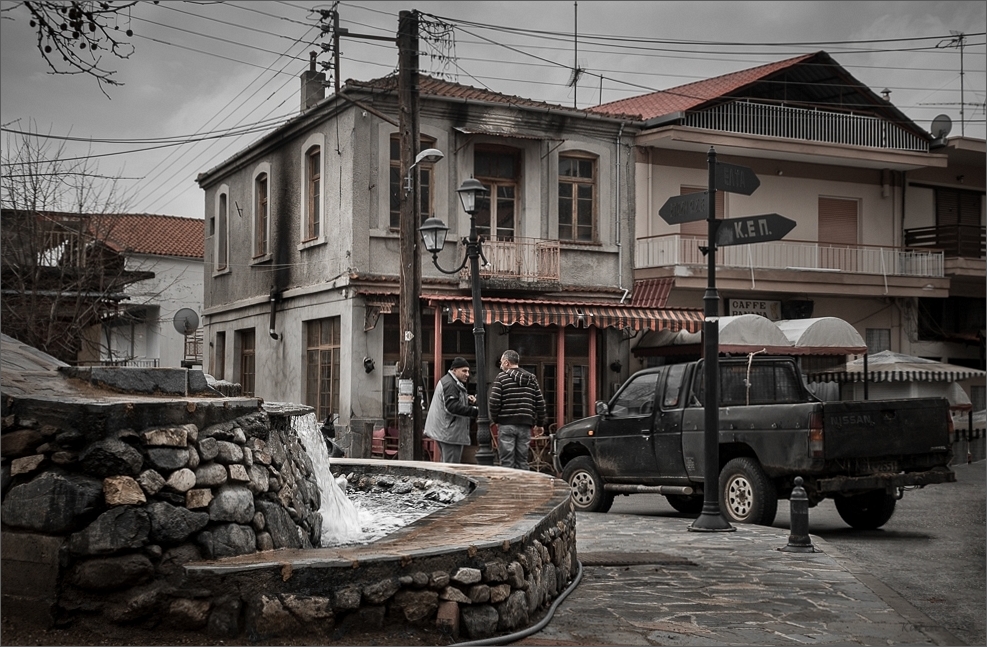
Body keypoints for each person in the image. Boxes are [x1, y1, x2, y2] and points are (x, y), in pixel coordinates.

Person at [489, 349, 547, 470]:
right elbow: (540, 403)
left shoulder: (502, 378)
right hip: (525, 424)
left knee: (506, 462)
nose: (500, 366)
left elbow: (494, 402)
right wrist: (539, 424)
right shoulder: (531, 379)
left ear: (506, 363)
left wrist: (496, 419)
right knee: (522, 460)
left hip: (506, 424)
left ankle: (508, 487)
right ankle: (523, 487)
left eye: (501, 363)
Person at [423, 357, 478, 463]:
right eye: (464, 371)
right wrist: (474, 410)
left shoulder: (449, 381)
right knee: (451, 466)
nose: (467, 374)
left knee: (447, 463)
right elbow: (452, 407)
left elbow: (450, 400)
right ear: (454, 370)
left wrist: (466, 398)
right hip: (450, 432)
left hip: (446, 431)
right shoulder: (450, 384)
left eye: (468, 371)